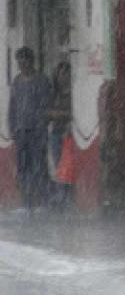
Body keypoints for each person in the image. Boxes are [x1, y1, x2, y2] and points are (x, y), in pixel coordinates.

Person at [7, 47, 52, 214]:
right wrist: (12, 127)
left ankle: (42, 202)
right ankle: (26, 203)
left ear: (31, 61)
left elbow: (46, 106)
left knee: (39, 166)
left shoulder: (42, 81)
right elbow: (12, 106)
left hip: (37, 132)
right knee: (22, 168)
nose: (22, 65)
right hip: (21, 132)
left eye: (24, 61)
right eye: (19, 61)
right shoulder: (17, 81)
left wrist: (41, 124)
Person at [46, 61, 74, 212]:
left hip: (69, 134)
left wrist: (61, 114)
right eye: (61, 74)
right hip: (56, 133)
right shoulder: (53, 94)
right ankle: (60, 196)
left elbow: (74, 113)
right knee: (58, 165)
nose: (64, 77)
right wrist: (56, 114)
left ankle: (68, 197)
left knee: (68, 165)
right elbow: (47, 111)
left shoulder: (74, 93)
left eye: (66, 73)